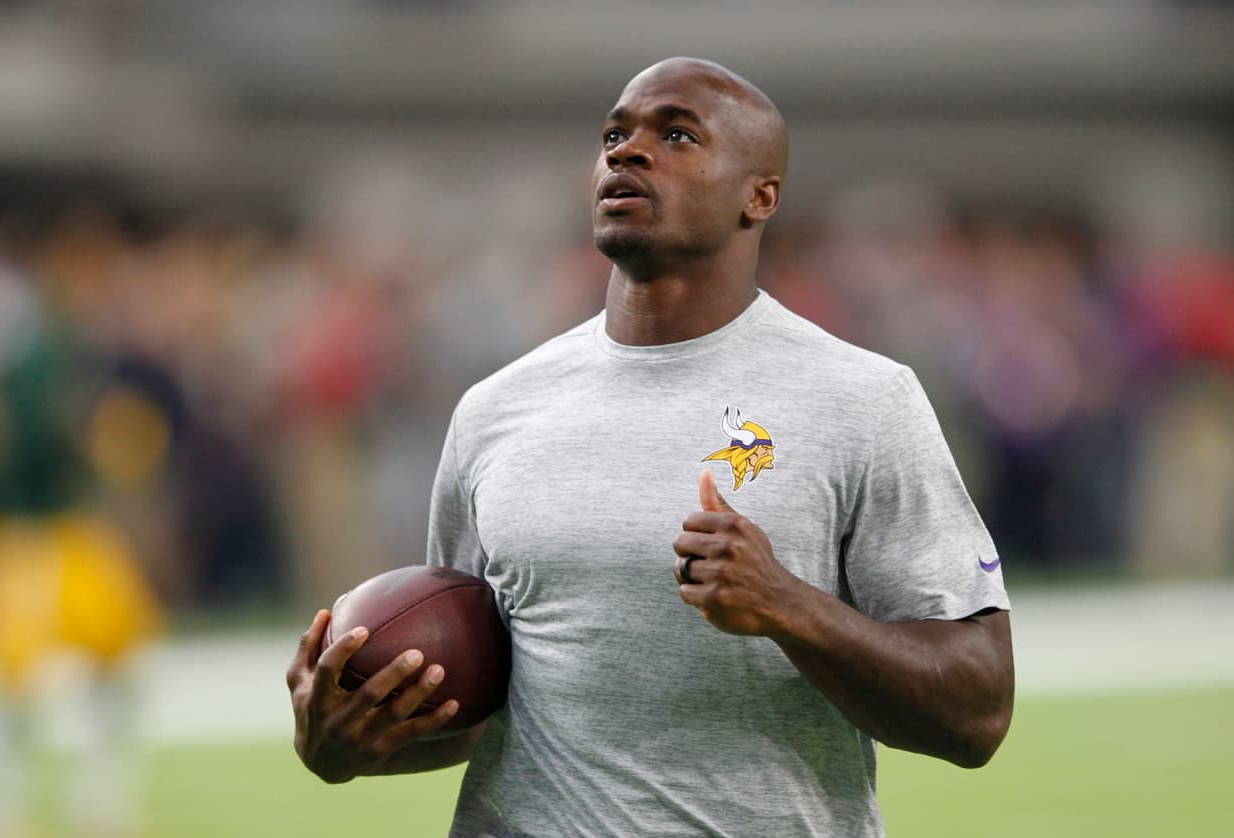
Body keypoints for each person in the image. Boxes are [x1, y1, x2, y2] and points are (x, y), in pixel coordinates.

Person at [287, 57, 1014, 836]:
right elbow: (478, 703)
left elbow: (978, 710)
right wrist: (345, 738)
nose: (627, 152)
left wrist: (792, 608)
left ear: (758, 196)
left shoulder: (863, 400)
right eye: (614, 134)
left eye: (675, 134)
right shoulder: (497, 409)